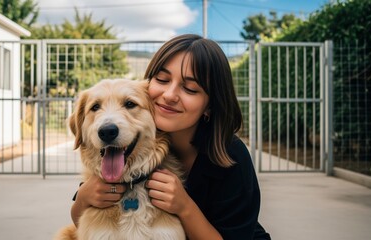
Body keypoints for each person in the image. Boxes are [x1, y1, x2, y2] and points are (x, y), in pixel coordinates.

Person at [71, 34, 271, 240]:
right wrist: (83, 198)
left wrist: (184, 207)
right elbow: (80, 222)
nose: (169, 95)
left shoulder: (231, 155)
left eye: (190, 88)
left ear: (210, 106)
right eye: (162, 79)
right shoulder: (132, 142)